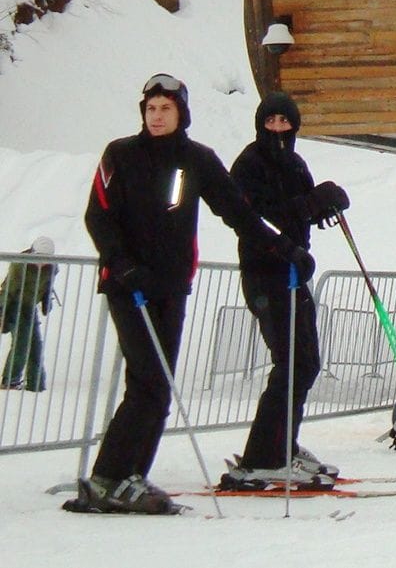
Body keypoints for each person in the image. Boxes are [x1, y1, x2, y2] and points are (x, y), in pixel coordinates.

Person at [67, 74, 314, 515]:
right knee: (148, 381)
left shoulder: (196, 159)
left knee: (158, 385)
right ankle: (109, 476)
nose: (157, 116)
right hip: (129, 285)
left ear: (181, 112)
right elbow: (98, 215)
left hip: (171, 285)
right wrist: (120, 261)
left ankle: (130, 475)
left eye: (165, 108)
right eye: (151, 109)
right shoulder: (120, 154)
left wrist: (285, 248)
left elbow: (238, 213)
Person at [221, 91, 350, 487]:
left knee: (307, 360)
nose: (277, 128)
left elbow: (299, 210)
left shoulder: (295, 163)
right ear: (260, 124)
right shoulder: (248, 164)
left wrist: (322, 207)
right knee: (291, 361)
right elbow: (256, 218)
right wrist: (310, 204)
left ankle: (282, 443)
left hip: (294, 271)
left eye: (284, 122)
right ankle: (265, 454)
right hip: (266, 272)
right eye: (270, 121)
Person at [2, 236, 57, 390]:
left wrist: (47, 300)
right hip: (14, 305)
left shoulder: (52, 268)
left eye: (45, 259)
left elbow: (48, 285)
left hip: (29, 306)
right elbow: (8, 289)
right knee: (22, 342)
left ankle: (36, 383)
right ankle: (10, 380)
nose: (41, 263)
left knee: (35, 345)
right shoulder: (21, 264)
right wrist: (2, 309)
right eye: (38, 258)